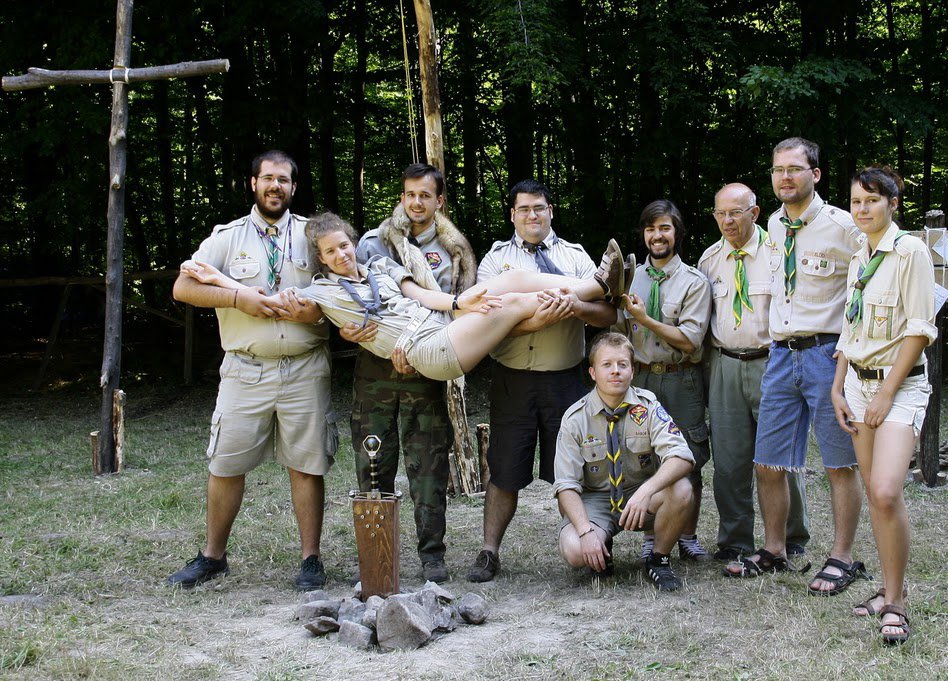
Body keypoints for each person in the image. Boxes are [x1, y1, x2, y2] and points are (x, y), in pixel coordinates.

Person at [182, 212, 627, 383]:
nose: (340, 255)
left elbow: (417, 292)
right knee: (509, 307)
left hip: (443, 325)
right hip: (423, 350)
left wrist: (460, 303)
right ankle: (597, 289)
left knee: (509, 282)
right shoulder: (321, 290)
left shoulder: (378, 267)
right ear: (318, 258)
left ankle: (597, 286)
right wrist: (219, 280)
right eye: (329, 251)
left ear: (353, 243)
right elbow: (275, 302)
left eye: (344, 245)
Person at [167, 150, 335, 591]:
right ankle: (212, 557)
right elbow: (184, 287)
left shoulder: (313, 236)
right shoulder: (228, 238)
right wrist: (238, 298)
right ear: (253, 184)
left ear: (294, 188)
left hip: (305, 368)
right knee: (226, 464)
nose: (275, 186)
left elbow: (342, 286)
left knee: (307, 465)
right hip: (245, 370)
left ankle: (310, 560)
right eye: (267, 179)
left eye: (283, 179)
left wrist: (314, 314)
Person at [725, 137, 868, 597]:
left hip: (828, 355)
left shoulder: (845, 227)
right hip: (781, 355)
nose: (784, 177)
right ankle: (774, 550)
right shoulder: (774, 225)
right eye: (777, 169)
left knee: (838, 464)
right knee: (768, 462)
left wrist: (849, 358)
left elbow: (868, 288)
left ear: (815, 175)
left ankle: (842, 557)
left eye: (794, 169)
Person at [467, 179, 618, 583]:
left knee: (576, 470)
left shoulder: (575, 256)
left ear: (551, 210)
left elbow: (607, 315)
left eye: (539, 208)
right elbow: (487, 322)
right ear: (512, 215)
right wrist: (544, 316)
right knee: (503, 470)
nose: (532, 215)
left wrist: (576, 306)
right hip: (512, 380)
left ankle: (592, 545)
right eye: (523, 209)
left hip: (564, 381)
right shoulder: (496, 262)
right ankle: (488, 551)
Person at [337, 163, 476, 584]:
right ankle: (377, 555)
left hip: (425, 371)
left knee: (429, 465)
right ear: (401, 197)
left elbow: (460, 310)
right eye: (409, 194)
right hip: (375, 370)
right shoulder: (372, 244)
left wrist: (421, 349)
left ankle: (432, 555)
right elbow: (348, 296)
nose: (416, 202)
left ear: (439, 201)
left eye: (425, 195)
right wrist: (350, 332)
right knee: (373, 462)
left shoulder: (455, 253)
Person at [832, 166, 936, 645]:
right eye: (856, 202)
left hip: (900, 387)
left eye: (872, 200)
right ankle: (886, 589)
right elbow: (850, 331)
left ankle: (896, 603)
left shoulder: (911, 251)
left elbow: (919, 329)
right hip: (856, 385)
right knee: (874, 491)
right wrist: (838, 387)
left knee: (888, 491)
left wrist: (888, 393)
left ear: (893, 203)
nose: (863, 209)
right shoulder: (860, 257)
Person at [697, 184, 810, 562]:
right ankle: (735, 540)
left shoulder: (779, 253)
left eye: (736, 212)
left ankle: (792, 537)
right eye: (721, 213)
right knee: (728, 462)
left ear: (755, 213)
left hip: (773, 362)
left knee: (782, 459)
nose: (728, 221)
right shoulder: (709, 260)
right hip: (725, 365)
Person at [553, 332, 696, 591]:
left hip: (641, 497)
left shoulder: (648, 407)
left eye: (622, 365)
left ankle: (658, 559)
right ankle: (600, 544)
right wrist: (585, 532)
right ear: (593, 372)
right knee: (574, 550)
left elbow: (682, 456)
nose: (615, 371)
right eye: (606, 365)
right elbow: (566, 486)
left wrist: (646, 491)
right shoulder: (575, 418)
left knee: (682, 489)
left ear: (632, 370)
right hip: (596, 500)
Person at [614, 200, 713, 562]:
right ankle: (653, 533)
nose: (657, 236)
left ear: (677, 233)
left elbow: (690, 340)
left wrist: (647, 319)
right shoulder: (629, 277)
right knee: (644, 456)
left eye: (665, 228)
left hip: (680, 378)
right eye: (651, 228)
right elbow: (620, 330)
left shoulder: (694, 282)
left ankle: (687, 535)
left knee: (687, 455)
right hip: (640, 379)